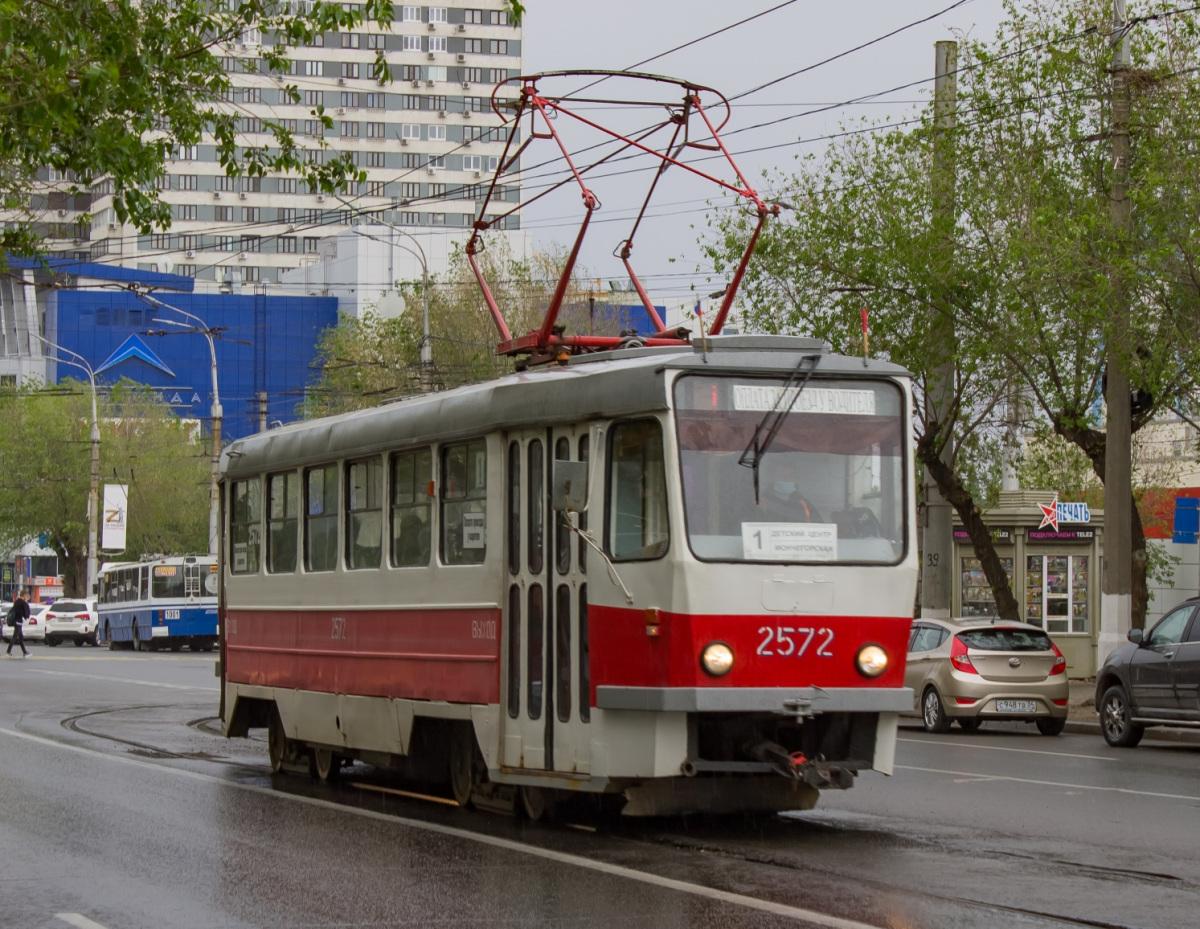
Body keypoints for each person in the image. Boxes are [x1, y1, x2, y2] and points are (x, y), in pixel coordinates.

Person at [6, 589, 30, 657]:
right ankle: (8, 651)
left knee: (20, 637)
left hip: (16, 621)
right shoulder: (22, 602)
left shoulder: (17, 601)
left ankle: (25, 652)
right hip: (18, 622)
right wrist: (26, 602)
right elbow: (26, 613)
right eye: (26, 595)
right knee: (15, 637)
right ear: (24, 595)